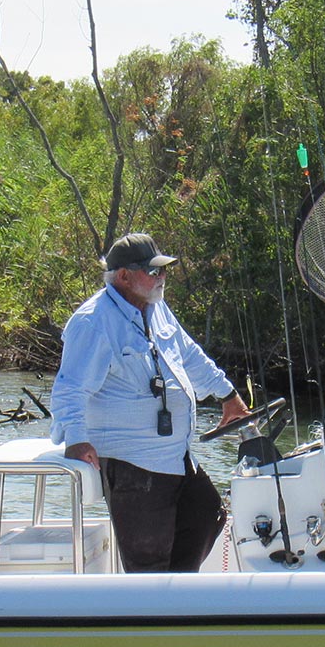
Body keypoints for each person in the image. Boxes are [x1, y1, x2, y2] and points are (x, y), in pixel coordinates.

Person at [51, 232, 250, 572]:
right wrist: (76, 438)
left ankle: (176, 596)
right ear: (124, 276)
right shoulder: (93, 322)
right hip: (133, 464)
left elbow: (188, 354)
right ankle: (154, 612)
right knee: (148, 560)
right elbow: (70, 388)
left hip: (175, 456)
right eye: (153, 270)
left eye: (163, 270)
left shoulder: (156, 307)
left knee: (207, 512)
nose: (162, 277)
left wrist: (227, 394)